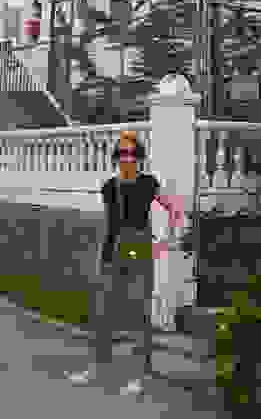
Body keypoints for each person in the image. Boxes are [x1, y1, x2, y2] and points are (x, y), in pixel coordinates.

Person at [67, 130, 176, 396]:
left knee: (139, 312)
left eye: (132, 153)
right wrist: (105, 255)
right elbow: (111, 225)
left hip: (140, 251)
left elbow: (173, 209)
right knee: (103, 312)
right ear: (116, 158)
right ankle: (96, 367)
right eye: (123, 153)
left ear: (140, 157)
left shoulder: (149, 183)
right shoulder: (109, 187)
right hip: (113, 250)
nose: (127, 158)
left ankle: (139, 374)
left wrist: (165, 241)